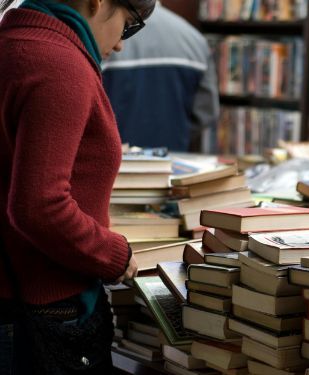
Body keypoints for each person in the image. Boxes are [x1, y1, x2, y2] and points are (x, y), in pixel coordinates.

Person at [0, 0, 154, 373]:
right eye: (129, 24)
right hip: (42, 308)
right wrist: (114, 255)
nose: (120, 44)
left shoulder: (13, 44)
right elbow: (39, 206)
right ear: (97, 2)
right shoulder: (59, 64)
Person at [102, 1, 219, 152]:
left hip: (117, 163)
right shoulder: (195, 40)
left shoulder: (105, 38)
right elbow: (206, 112)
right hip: (172, 162)